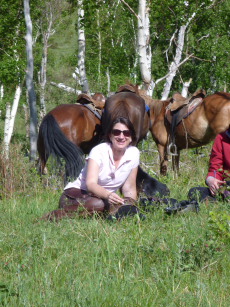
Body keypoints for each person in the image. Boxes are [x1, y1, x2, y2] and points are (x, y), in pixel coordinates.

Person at [43, 116, 141, 221]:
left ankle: (110, 214)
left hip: (105, 199)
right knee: (99, 204)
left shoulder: (134, 153)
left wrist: (130, 205)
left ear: (131, 137)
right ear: (110, 135)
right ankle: (54, 215)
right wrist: (108, 195)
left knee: (124, 205)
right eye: (116, 132)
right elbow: (91, 184)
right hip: (76, 196)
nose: (121, 136)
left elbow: (129, 188)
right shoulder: (99, 151)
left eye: (126, 133)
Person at [188, 129, 230, 202]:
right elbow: (216, 167)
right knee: (195, 192)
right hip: (226, 186)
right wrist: (212, 180)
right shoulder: (222, 137)